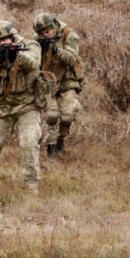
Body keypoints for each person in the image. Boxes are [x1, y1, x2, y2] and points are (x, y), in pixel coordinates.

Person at [0, 20, 42, 193]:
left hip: (28, 104)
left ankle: (31, 186)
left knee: (29, 142)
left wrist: (16, 56)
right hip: (3, 106)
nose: (0, 43)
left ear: (12, 36)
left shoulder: (30, 45)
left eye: (3, 40)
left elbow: (34, 64)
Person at [33, 13, 83, 157]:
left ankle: (61, 139)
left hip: (68, 79)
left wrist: (55, 50)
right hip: (49, 79)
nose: (45, 35)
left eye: (47, 32)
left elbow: (71, 58)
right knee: (51, 115)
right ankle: (51, 148)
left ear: (54, 27)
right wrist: (39, 49)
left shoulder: (69, 36)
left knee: (67, 115)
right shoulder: (38, 40)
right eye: (41, 33)